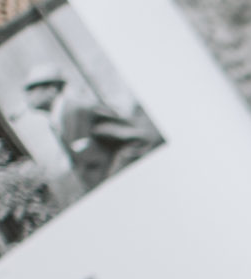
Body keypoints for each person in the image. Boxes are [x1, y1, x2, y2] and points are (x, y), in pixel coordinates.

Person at [16, 64, 158, 190]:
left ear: (51, 89)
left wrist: (114, 181)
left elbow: (137, 140)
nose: (28, 97)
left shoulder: (79, 110)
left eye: (32, 89)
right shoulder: (58, 120)